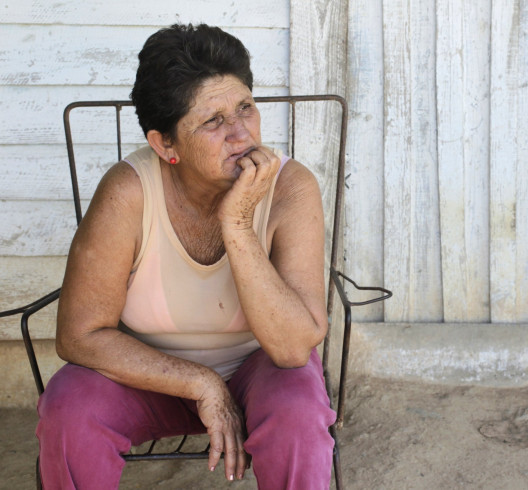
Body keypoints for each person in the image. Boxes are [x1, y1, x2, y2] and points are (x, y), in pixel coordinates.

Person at [36, 23, 336, 489]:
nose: (241, 134)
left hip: (259, 371)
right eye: (213, 121)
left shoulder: (290, 189)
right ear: (165, 144)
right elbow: (79, 336)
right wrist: (200, 383)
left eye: (245, 108)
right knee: (69, 404)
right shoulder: (128, 191)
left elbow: (294, 347)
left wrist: (236, 224)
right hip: (145, 375)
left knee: (300, 408)